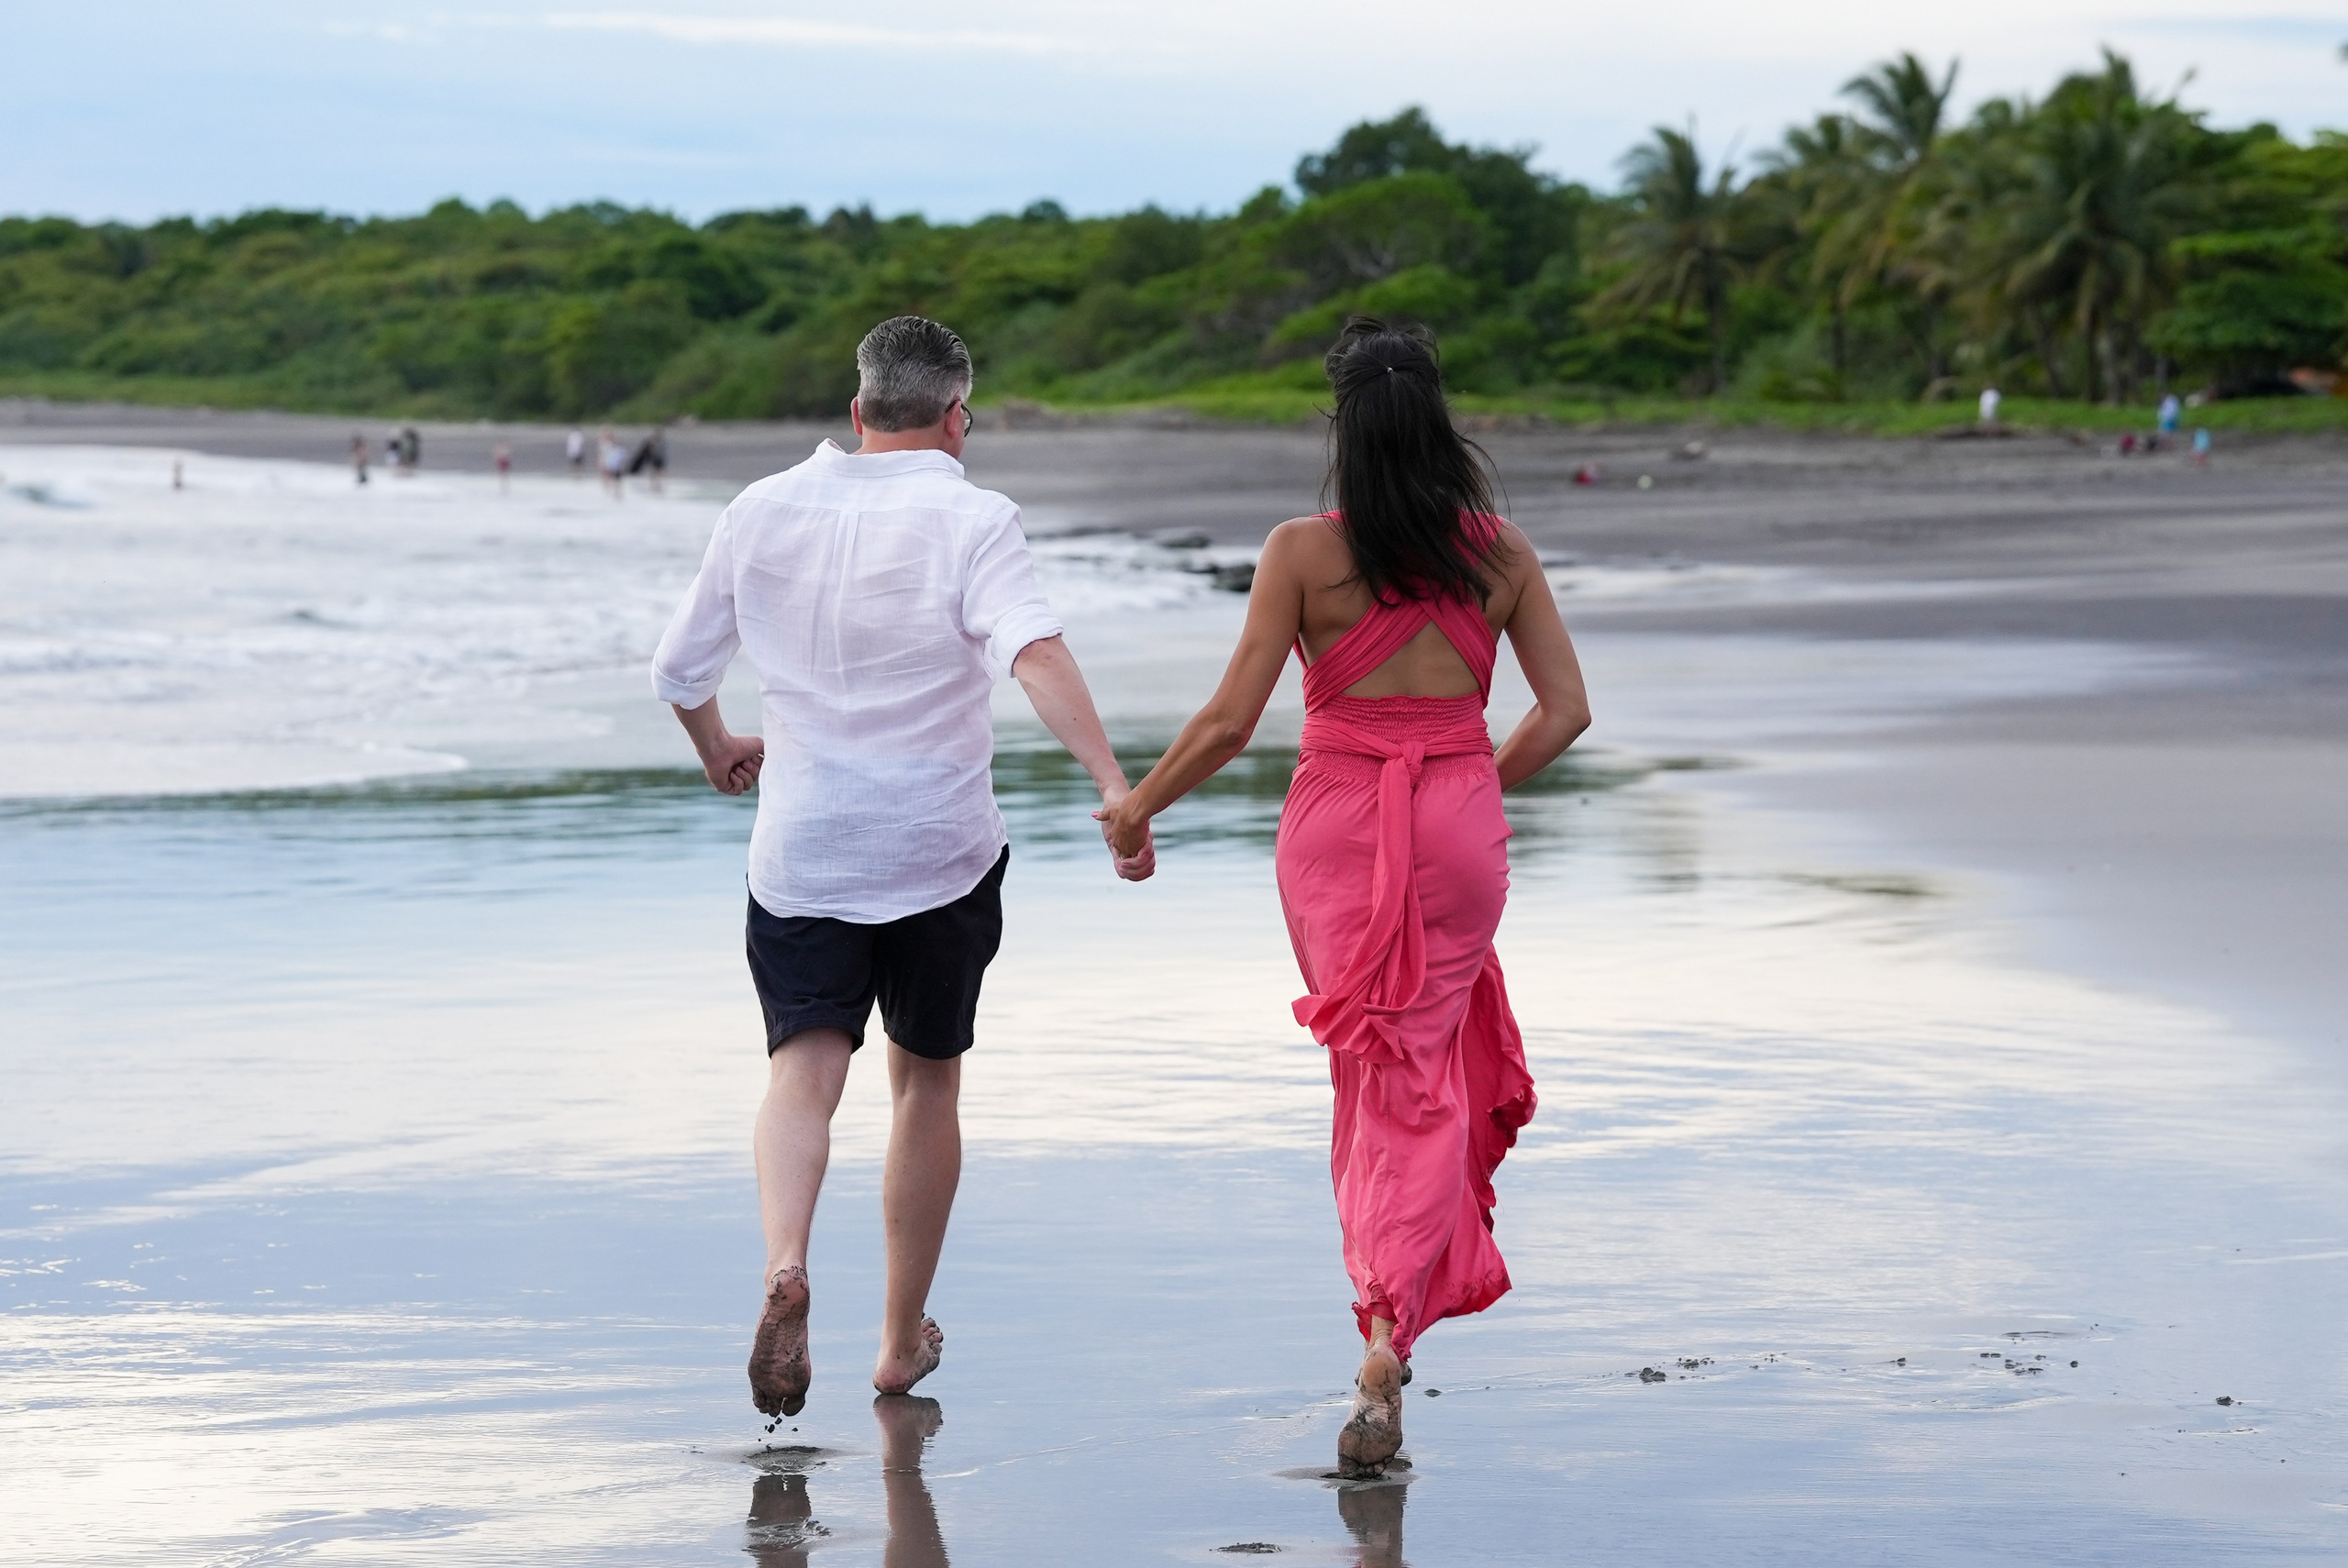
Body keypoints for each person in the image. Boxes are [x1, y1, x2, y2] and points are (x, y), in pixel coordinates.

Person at [1102, 316, 1590, 1478]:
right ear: (1440, 424)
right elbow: (1564, 710)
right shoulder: (1500, 552)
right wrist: (1468, 782)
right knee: (1424, 1070)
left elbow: (1229, 724)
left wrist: (1137, 810)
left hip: (1335, 828)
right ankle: (1387, 1326)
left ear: (1342, 432)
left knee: (1376, 1073)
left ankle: (1382, 1328)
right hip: (1457, 827)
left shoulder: (1300, 552)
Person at [650, 315, 1152, 1421]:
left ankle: (787, 1260)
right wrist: (1112, 781)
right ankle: (893, 1343)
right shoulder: (974, 517)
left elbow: (679, 666)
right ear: (958, 417)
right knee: (925, 1079)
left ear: (857, 409)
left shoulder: (761, 507)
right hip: (937, 849)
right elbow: (1033, 651)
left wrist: (719, 747)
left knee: (802, 1068)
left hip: (803, 851)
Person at [599, 425, 628, 497]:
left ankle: (613, 489)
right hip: (610, 462)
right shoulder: (605, 444)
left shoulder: (613, 446)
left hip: (612, 463)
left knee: (614, 477)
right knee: (611, 476)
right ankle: (610, 487)